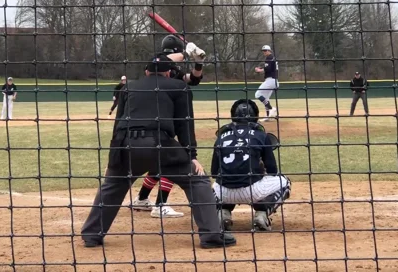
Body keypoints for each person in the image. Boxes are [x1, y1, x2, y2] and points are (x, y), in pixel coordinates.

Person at [81, 54, 235, 249]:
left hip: (126, 145)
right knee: (198, 181)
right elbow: (184, 125)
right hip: (160, 145)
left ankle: (91, 235)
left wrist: (113, 159)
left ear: (146, 71)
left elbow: (119, 124)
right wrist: (192, 156)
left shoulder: (128, 87)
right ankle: (212, 237)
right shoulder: (179, 87)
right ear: (169, 73)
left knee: (112, 186)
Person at [130, 35, 206, 218]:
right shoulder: (157, 61)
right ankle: (160, 205)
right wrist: (187, 52)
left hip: (166, 118)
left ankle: (142, 199)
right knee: (174, 159)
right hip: (159, 119)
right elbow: (162, 61)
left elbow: (193, 80)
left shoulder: (172, 70)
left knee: (160, 162)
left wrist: (198, 63)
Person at [211, 99, 291, 232]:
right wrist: (259, 168)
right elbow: (272, 170)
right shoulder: (261, 135)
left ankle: (222, 212)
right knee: (285, 181)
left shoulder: (221, 137)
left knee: (214, 187)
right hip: (253, 192)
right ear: (255, 116)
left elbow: (214, 172)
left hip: (224, 193)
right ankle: (262, 214)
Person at [254, 45, 279, 122]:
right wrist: (261, 69)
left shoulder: (269, 58)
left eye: (265, 50)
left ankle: (271, 109)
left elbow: (267, 69)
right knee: (266, 99)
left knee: (257, 94)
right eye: (263, 51)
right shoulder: (272, 58)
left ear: (269, 51)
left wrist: (259, 70)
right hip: (274, 81)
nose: (264, 52)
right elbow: (270, 68)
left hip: (270, 80)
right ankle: (268, 117)